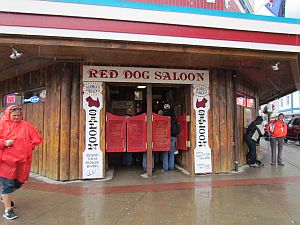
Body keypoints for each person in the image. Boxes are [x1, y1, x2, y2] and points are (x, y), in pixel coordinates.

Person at [0, 105, 43, 220]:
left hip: (22, 162)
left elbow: (37, 138)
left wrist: (31, 146)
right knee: (7, 185)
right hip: (5, 162)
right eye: (14, 116)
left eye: (19, 115)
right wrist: (4, 142)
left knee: (19, 182)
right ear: (9, 114)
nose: (17, 117)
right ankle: (8, 210)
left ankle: (4, 195)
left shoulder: (26, 125)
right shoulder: (2, 124)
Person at [162, 103, 180, 172]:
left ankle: (165, 168)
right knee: (172, 152)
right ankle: (171, 167)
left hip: (164, 137)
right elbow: (178, 127)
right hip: (173, 136)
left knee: (165, 152)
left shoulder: (163, 117)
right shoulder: (174, 117)